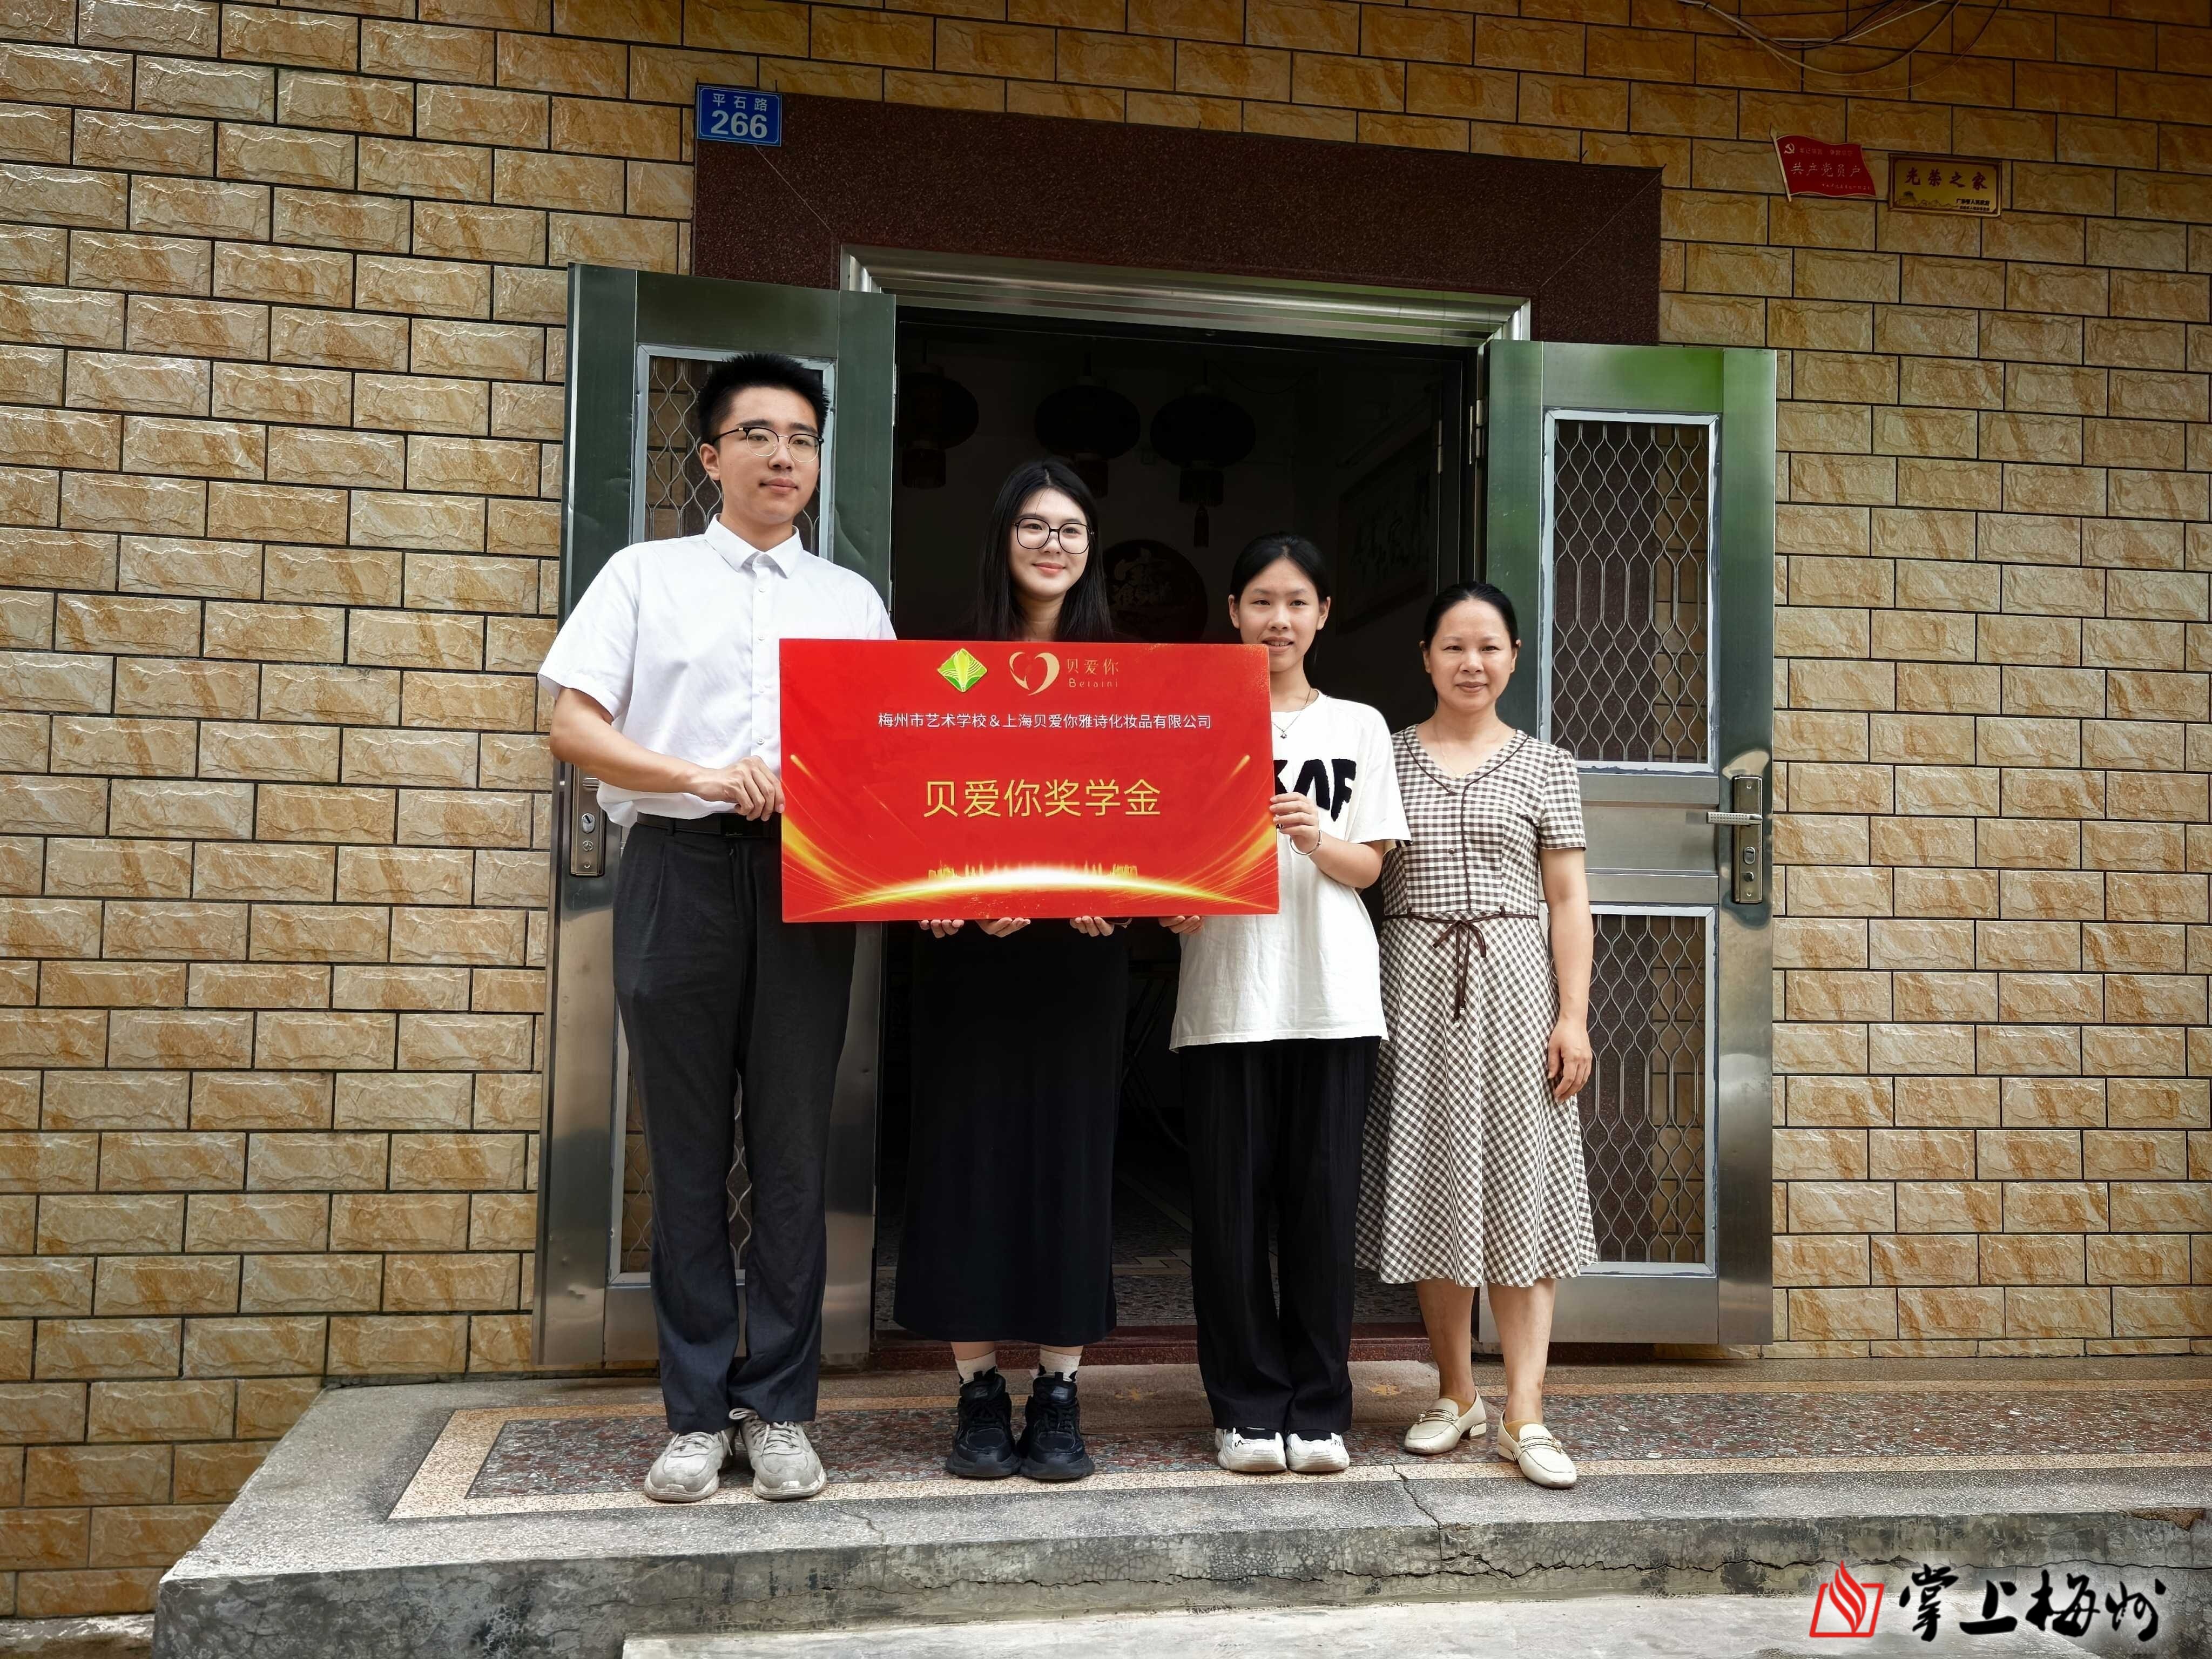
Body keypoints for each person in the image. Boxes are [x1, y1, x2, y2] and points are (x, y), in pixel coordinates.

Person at [540, 352, 893, 1503]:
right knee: (686, 1152)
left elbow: (891, 756)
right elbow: (572, 727)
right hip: (677, 869)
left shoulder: (850, 602)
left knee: (791, 1149)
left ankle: (781, 1410)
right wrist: (697, 773)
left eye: (801, 438)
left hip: (805, 879)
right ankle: (695, 1416)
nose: (782, 456)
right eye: (757, 435)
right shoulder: (644, 577)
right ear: (710, 456)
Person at [895, 458, 1127, 1483]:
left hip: (1080, 954)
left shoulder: (1125, 673)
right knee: (969, 1159)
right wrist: (936, 889)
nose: (1052, 544)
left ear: (1090, 549)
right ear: (1002, 540)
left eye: (1070, 529)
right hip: (967, 958)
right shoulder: (947, 664)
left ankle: (1061, 1391)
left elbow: (1153, 806)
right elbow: (903, 790)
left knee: (1069, 1163)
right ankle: (979, 1388)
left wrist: (1123, 893)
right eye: (1033, 526)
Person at [1166, 533, 1408, 1476]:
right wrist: (1170, 905)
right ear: (1233, 612)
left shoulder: (1358, 726)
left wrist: (1314, 837)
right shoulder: (1189, 720)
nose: (1279, 619)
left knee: (1321, 1209)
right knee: (1229, 1214)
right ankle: (1243, 1410)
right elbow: (1163, 860)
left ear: (1323, 615)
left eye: (1297, 602)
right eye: (1261, 602)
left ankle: (1318, 1411)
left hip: (1332, 995)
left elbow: (1370, 867)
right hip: (1226, 993)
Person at [1355, 581, 1596, 1489]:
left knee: (1521, 1189)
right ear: (1425, 657)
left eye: (1489, 647)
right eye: (1453, 646)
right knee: (1435, 1183)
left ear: (1515, 657)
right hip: (1413, 986)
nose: (1471, 663)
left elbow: (1568, 898)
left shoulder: (1547, 765)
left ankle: (1526, 1412)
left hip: (1518, 987)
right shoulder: (1386, 756)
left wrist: (1572, 1016)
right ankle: (1456, 1393)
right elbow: (1356, 866)